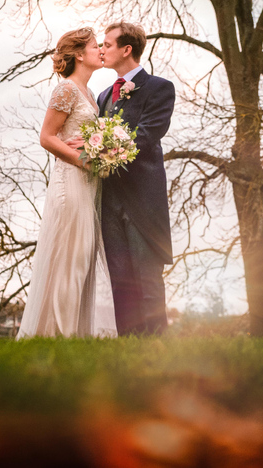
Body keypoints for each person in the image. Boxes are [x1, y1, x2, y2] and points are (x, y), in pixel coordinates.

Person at [16, 28, 117, 338]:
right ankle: (58, 334)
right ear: (78, 55)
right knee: (70, 258)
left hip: (88, 185)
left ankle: (72, 333)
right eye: (94, 46)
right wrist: (84, 160)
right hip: (71, 181)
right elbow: (47, 137)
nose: (100, 50)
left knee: (82, 259)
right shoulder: (67, 90)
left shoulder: (89, 95)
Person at [96, 22, 175, 335]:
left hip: (143, 200)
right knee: (120, 281)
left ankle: (157, 348)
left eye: (107, 44)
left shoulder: (159, 87)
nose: (101, 50)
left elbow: (147, 135)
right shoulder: (103, 96)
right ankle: (128, 349)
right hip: (109, 199)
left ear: (126, 49)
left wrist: (101, 151)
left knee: (146, 279)